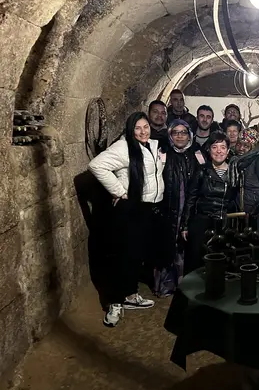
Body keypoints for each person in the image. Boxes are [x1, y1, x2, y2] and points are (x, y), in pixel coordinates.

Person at [88, 112, 164, 327]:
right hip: (130, 209)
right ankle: (114, 303)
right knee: (122, 257)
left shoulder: (153, 145)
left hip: (147, 208)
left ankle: (130, 295)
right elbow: (96, 165)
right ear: (131, 129)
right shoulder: (123, 147)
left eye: (146, 127)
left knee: (136, 256)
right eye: (138, 128)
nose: (143, 131)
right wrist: (119, 191)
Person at [154, 120, 207, 297]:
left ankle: (185, 284)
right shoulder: (163, 154)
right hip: (168, 207)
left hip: (190, 207)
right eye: (175, 132)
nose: (179, 136)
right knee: (167, 245)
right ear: (170, 135)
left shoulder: (197, 154)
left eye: (183, 132)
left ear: (189, 135)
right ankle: (166, 285)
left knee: (187, 246)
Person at [182, 131, 238, 274]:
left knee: (221, 265)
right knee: (196, 264)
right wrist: (185, 225)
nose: (219, 151)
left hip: (224, 223)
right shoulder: (202, 170)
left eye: (223, 147)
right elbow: (191, 199)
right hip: (202, 221)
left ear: (228, 150)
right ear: (209, 150)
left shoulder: (235, 172)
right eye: (214, 147)